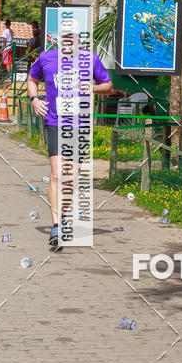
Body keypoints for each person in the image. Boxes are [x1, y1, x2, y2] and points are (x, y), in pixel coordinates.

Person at [27, 20, 113, 249]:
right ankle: (56, 226)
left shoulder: (90, 58)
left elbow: (108, 85)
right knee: (56, 175)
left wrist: (90, 87)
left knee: (70, 177)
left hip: (79, 125)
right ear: (58, 39)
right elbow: (32, 80)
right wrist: (34, 99)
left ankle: (64, 218)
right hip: (54, 122)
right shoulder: (46, 58)